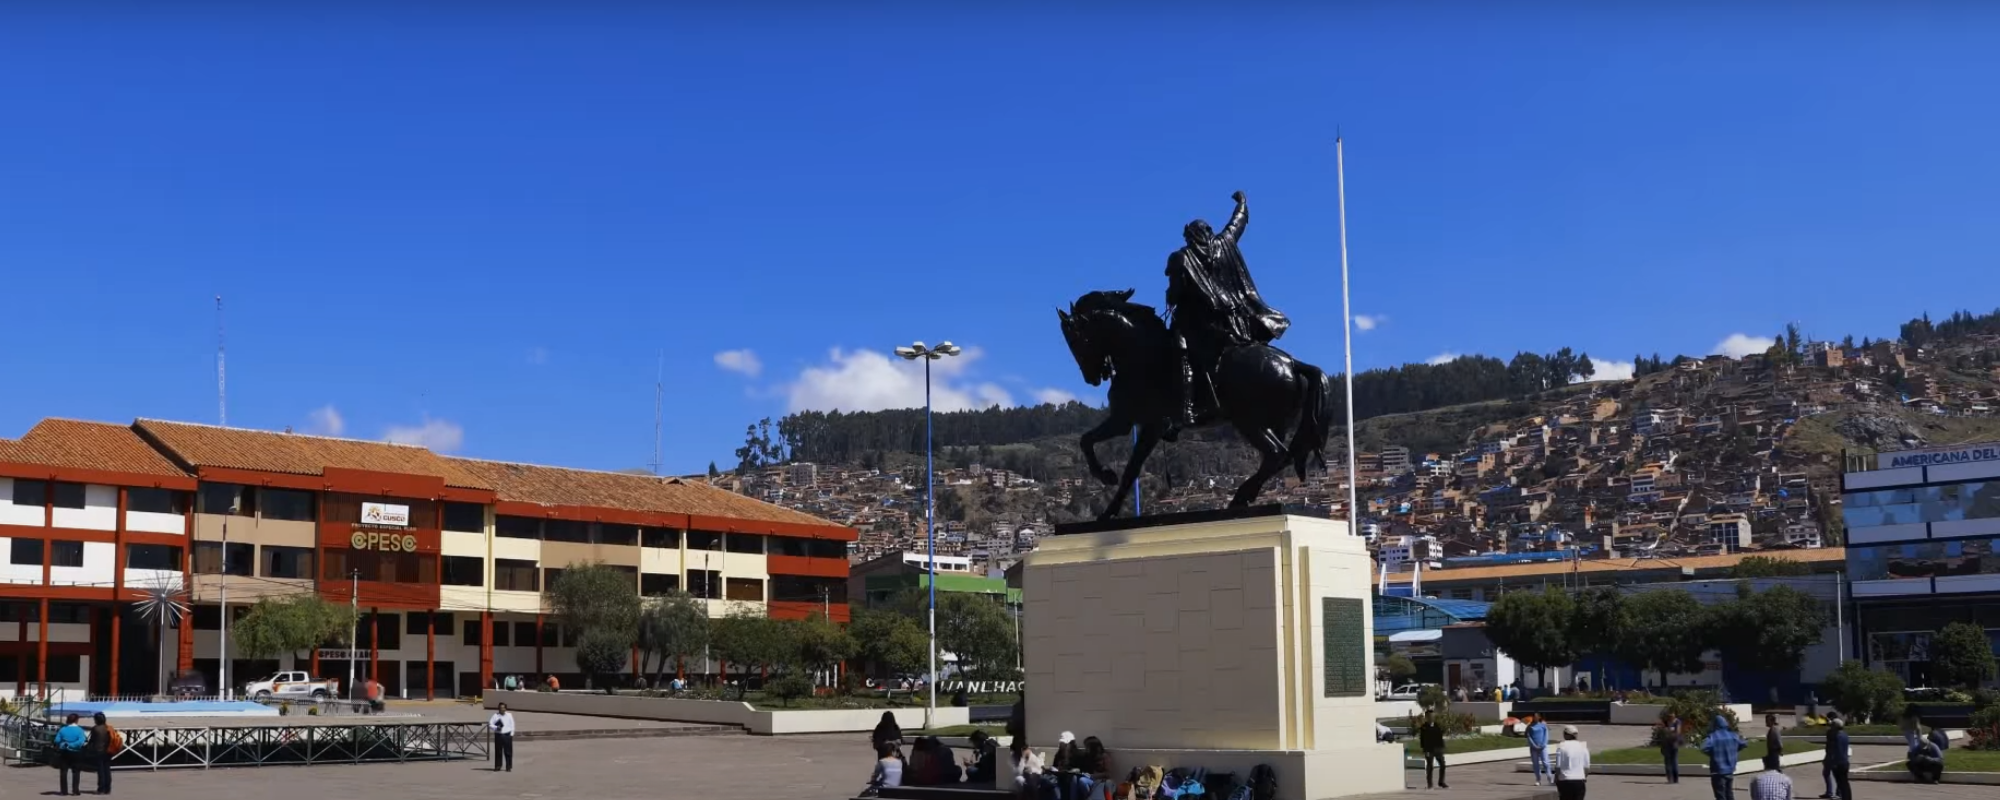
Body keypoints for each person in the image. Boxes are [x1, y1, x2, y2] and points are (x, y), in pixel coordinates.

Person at [1162, 190, 1289, 436]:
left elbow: (1175, 294)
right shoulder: (1223, 243)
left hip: (1200, 327)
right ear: (1208, 233)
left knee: (1180, 351)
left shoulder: (1183, 257)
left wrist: (1171, 296)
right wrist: (1242, 203)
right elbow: (1237, 224)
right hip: (1235, 324)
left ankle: (1186, 409)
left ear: (1190, 237)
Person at [1700, 713, 1747, 800]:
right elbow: (1744, 743)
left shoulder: (1713, 737)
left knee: (1720, 796)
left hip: (1718, 771)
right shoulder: (1733, 736)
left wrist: (1712, 753)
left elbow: (1703, 747)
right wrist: (1735, 750)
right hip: (1730, 770)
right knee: (1729, 794)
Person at [52, 712, 86, 796]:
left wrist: (64, 743)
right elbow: (81, 741)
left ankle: (64, 791)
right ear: (77, 720)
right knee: (76, 772)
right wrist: (72, 744)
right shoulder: (80, 730)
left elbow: (57, 740)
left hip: (64, 751)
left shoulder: (63, 729)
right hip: (76, 752)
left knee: (63, 771)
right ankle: (75, 791)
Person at [1554, 724, 1590, 800]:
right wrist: (1584, 777)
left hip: (1565, 780)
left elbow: (1558, 767)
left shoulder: (1561, 746)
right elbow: (1587, 767)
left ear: (1566, 735)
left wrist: (1556, 778)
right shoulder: (1583, 747)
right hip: (1579, 780)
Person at [85, 711, 113, 796]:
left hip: (99, 750)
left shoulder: (95, 728)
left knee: (100, 770)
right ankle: (107, 789)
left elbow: (92, 740)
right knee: (107, 769)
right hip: (108, 750)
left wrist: (88, 748)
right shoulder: (109, 728)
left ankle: (101, 788)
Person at [1417, 711, 1448, 789]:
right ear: (1427, 717)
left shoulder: (1437, 725)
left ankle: (1441, 782)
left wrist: (1442, 747)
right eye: (1430, 716)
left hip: (1438, 748)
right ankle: (1430, 784)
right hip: (1429, 749)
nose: (1432, 718)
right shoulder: (1424, 727)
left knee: (1443, 765)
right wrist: (1425, 750)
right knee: (1430, 766)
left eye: (1433, 716)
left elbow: (1440, 737)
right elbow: (1422, 740)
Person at [1824, 717, 1852, 800]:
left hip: (1838, 763)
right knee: (1845, 783)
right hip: (1845, 762)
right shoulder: (1844, 735)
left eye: (1832, 725)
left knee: (1841, 783)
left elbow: (1834, 749)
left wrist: (1833, 762)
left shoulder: (1836, 736)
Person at [1817, 712, 1841, 799]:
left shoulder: (1837, 732)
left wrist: (1827, 719)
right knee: (1827, 773)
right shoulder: (1832, 731)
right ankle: (1830, 792)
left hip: (1833, 756)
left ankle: (1836, 793)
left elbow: (1832, 723)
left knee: (1835, 774)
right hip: (1829, 755)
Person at [488, 701, 516, 772]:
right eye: (500, 708)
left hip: (507, 735)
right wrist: (496, 728)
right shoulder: (495, 715)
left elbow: (512, 725)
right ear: (498, 709)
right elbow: (490, 724)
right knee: (498, 751)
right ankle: (498, 766)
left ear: (505, 708)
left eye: (503, 708)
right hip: (499, 735)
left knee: (508, 752)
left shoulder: (509, 715)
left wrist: (511, 734)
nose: (502, 709)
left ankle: (508, 766)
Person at [1658, 713, 1685, 784]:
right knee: (1668, 762)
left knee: (1673, 761)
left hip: (1673, 744)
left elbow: (1677, 732)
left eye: (1671, 715)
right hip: (1667, 744)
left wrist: (1669, 732)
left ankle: (1674, 779)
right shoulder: (1666, 722)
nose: (1670, 717)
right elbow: (1663, 731)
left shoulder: (1677, 722)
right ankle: (1670, 779)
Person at [1527, 712, 1551, 785]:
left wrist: (1543, 744)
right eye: (1534, 716)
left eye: (1537, 716)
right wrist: (1534, 745)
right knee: (1536, 764)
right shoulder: (1530, 726)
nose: (1535, 718)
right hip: (1534, 748)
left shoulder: (1543, 725)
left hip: (1543, 747)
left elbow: (1546, 735)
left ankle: (1550, 777)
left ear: (1539, 717)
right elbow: (1529, 736)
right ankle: (1538, 779)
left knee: (1546, 763)